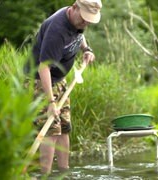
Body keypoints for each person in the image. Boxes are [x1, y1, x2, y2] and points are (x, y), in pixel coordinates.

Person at [31, 0, 102, 174]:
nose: (86, 23)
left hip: (59, 79)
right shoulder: (57, 29)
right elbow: (43, 67)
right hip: (41, 81)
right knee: (51, 131)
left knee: (64, 128)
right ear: (74, 7)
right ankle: (45, 176)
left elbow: (80, 34)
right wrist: (51, 102)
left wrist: (86, 49)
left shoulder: (78, 20)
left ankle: (64, 174)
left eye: (89, 20)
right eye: (84, 19)